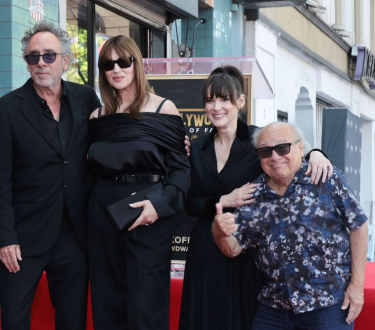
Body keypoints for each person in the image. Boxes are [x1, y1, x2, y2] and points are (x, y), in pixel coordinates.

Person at [178, 65, 333, 330]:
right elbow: (190, 203)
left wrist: (316, 152)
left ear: (239, 101)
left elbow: (291, 155)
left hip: (246, 251)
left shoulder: (257, 140)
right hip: (204, 248)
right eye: (210, 100)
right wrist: (224, 200)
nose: (216, 107)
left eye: (224, 99)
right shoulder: (198, 147)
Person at [0, 21, 101, 330]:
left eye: (49, 56)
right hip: (23, 237)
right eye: (33, 57)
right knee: (13, 320)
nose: (41, 63)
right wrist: (5, 239)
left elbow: (109, 146)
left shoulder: (86, 99)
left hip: (74, 235)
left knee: (72, 320)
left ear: (66, 60)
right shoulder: (7, 109)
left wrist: (169, 143)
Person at [212, 122, 368, 329]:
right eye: (265, 151)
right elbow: (232, 249)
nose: (275, 157)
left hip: (327, 305)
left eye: (282, 148)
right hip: (274, 308)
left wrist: (357, 286)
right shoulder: (252, 194)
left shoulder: (325, 178)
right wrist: (218, 231)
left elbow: (359, 226)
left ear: (301, 147)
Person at [87, 35, 191, 330]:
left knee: (147, 305)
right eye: (108, 64)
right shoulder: (97, 116)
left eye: (123, 61)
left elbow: (181, 171)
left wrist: (158, 206)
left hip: (148, 210)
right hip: (103, 210)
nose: (116, 69)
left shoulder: (163, 109)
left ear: (137, 64)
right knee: (107, 301)